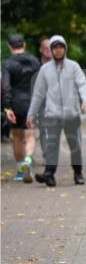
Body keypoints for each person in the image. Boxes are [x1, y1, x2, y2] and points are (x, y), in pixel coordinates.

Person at [26, 35, 86, 186]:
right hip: (52, 114)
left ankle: (78, 173)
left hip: (71, 114)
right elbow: (38, 93)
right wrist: (31, 114)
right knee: (51, 145)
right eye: (54, 47)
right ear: (51, 50)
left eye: (61, 47)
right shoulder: (44, 69)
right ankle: (49, 174)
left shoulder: (74, 66)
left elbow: (83, 84)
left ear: (65, 48)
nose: (58, 50)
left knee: (75, 145)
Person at [2, 34, 41, 182]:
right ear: (24, 45)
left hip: (15, 103)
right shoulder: (35, 61)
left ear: (10, 47)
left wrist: (7, 107)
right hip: (32, 102)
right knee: (30, 135)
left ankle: (20, 171)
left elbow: (5, 86)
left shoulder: (7, 64)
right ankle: (28, 161)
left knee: (17, 137)